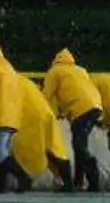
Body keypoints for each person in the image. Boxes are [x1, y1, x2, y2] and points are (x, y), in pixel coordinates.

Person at [0, 40, 71, 192]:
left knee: (0, 151)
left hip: (7, 118)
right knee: (52, 149)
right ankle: (4, 185)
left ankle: (22, 178)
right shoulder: (11, 74)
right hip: (25, 117)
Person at [42, 49, 104, 192]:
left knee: (79, 146)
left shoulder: (55, 71)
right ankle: (79, 182)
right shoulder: (80, 70)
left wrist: (47, 114)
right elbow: (74, 91)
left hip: (81, 109)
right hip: (96, 106)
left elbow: (46, 96)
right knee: (80, 145)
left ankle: (92, 178)